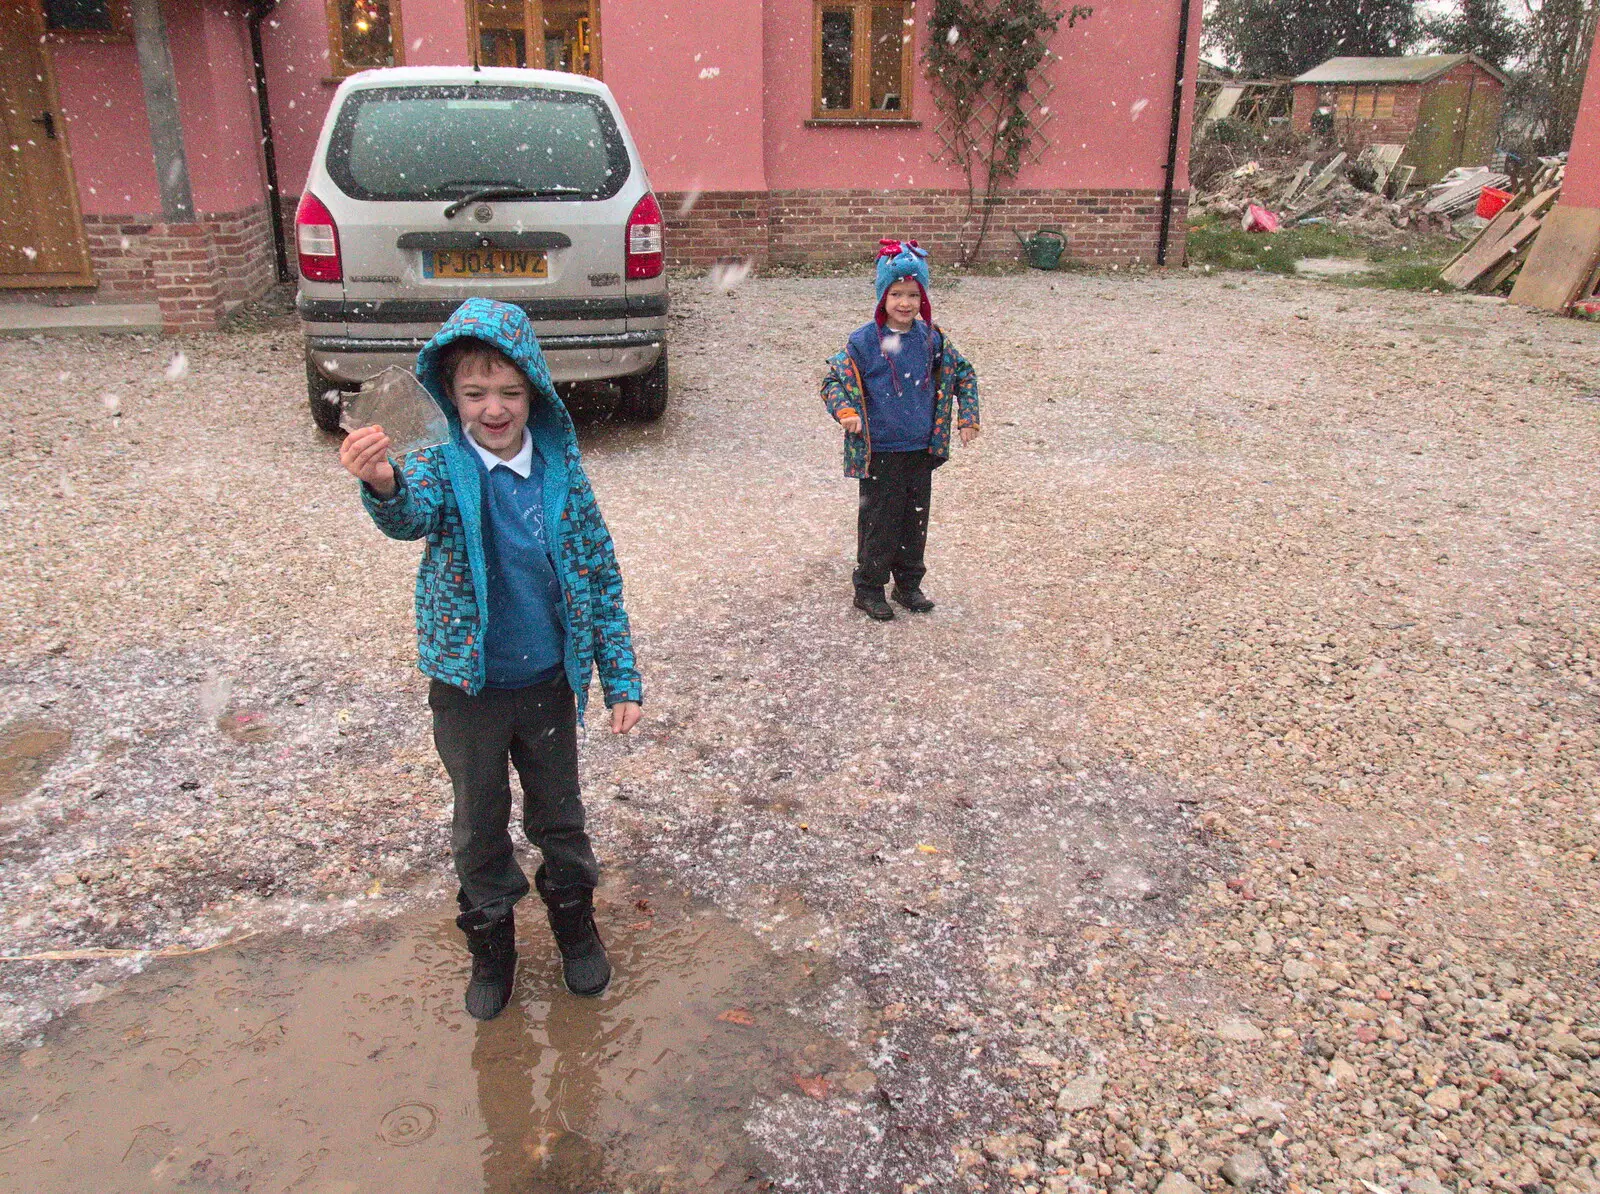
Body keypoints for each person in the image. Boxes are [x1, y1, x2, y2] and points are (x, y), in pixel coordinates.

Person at [339, 297, 642, 1020]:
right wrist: (381, 481)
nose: (494, 408)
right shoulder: (441, 467)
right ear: (449, 395)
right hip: (467, 690)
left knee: (559, 818)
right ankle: (491, 943)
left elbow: (600, 575)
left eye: (510, 391)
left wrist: (620, 676)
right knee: (479, 821)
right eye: (475, 393)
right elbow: (409, 515)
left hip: (546, 687)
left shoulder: (563, 475)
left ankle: (574, 923)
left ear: (534, 390)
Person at [820, 239, 980, 620]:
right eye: (896, 294)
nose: (905, 303)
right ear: (882, 296)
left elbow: (963, 373)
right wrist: (845, 412)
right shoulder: (863, 342)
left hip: (921, 448)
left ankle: (909, 584)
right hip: (880, 451)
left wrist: (967, 417)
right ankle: (870, 587)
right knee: (880, 520)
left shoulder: (931, 339)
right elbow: (833, 382)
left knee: (914, 520)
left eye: (912, 294)